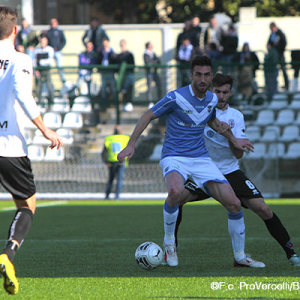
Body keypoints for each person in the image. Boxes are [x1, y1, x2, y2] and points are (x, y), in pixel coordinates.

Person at [117, 55, 254, 267]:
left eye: (207, 75)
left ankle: (240, 256)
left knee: (234, 204)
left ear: (211, 77)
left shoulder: (211, 100)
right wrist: (131, 143)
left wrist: (234, 140)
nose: (203, 79)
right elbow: (147, 115)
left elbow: (214, 123)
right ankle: (169, 243)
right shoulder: (175, 97)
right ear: (191, 75)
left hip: (200, 158)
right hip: (174, 156)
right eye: (198, 74)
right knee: (175, 192)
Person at [175, 73, 300, 267]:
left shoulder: (236, 117)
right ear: (210, 91)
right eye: (217, 92)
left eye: (225, 92)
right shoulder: (199, 110)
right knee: (176, 199)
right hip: (203, 171)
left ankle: (291, 254)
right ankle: (170, 249)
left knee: (263, 208)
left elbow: (238, 155)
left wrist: (229, 135)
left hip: (229, 172)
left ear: (231, 93)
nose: (222, 96)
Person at [0, 6, 63, 295]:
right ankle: (7, 255)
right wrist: (45, 129)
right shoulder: (19, 59)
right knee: (27, 206)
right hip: (8, 145)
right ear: (15, 30)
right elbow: (24, 95)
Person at [102, 127, 130, 199]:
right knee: (119, 180)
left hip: (111, 162)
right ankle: (117, 197)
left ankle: (107, 196)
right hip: (122, 161)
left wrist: (106, 161)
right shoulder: (125, 138)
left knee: (110, 180)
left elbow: (104, 151)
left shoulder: (109, 138)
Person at [34, 35, 55, 107]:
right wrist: (36, 70)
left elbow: (50, 61)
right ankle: (39, 101)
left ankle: (51, 101)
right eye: (41, 41)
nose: (42, 43)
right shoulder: (37, 50)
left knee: (49, 85)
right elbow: (35, 61)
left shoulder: (50, 49)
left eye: (43, 41)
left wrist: (41, 62)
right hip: (39, 70)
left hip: (46, 69)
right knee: (38, 86)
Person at [268, 22, 289, 90]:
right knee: (274, 70)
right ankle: (274, 85)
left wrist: (279, 49)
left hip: (279, 54)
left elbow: (284, 43)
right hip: (274, 55)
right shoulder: (272, 34)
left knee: (283, 69)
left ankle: (287, 84)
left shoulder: (280, 33)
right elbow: (269, 43)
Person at [116, 39, 135, 112]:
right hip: (122, 76)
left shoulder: (129, 54)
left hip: (129, 75)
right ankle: (124, 104)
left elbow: (132, 65)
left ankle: (129, 103)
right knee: (122, 89)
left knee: (128, 88)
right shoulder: (119, 55)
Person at [46, 18, 66, 84]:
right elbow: (45, 41)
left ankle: (63, 81)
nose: (52, 24)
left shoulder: (59, 32)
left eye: (54, 23)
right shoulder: (48, 32)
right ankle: (48, 82)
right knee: (47, 67)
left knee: (60, 66)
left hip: (58, 51)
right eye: (51, 23)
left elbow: (64, 41)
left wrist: (59, 48)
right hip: (50, 51)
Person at [98, 38, 117, 105]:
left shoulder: (112, 52)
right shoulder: (101, 52)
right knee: (103, 88)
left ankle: (115, 102)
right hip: (104, 73)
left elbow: (114, 60)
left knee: (113, 88)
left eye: (106, 43)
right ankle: (104, 103)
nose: (105, 45)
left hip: (110, 72)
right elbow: (98, 61)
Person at [143, 41, 162, 108]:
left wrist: (154, 62)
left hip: (155, 72)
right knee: (149, 88)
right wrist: (155, 62)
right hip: (149, 73)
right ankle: (149, 102)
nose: (152, 46)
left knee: (159, 86)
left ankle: (160, 101)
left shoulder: (153, 53)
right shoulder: (146, 54)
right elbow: (148, 62)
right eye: (150, 45)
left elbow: (158, 61)